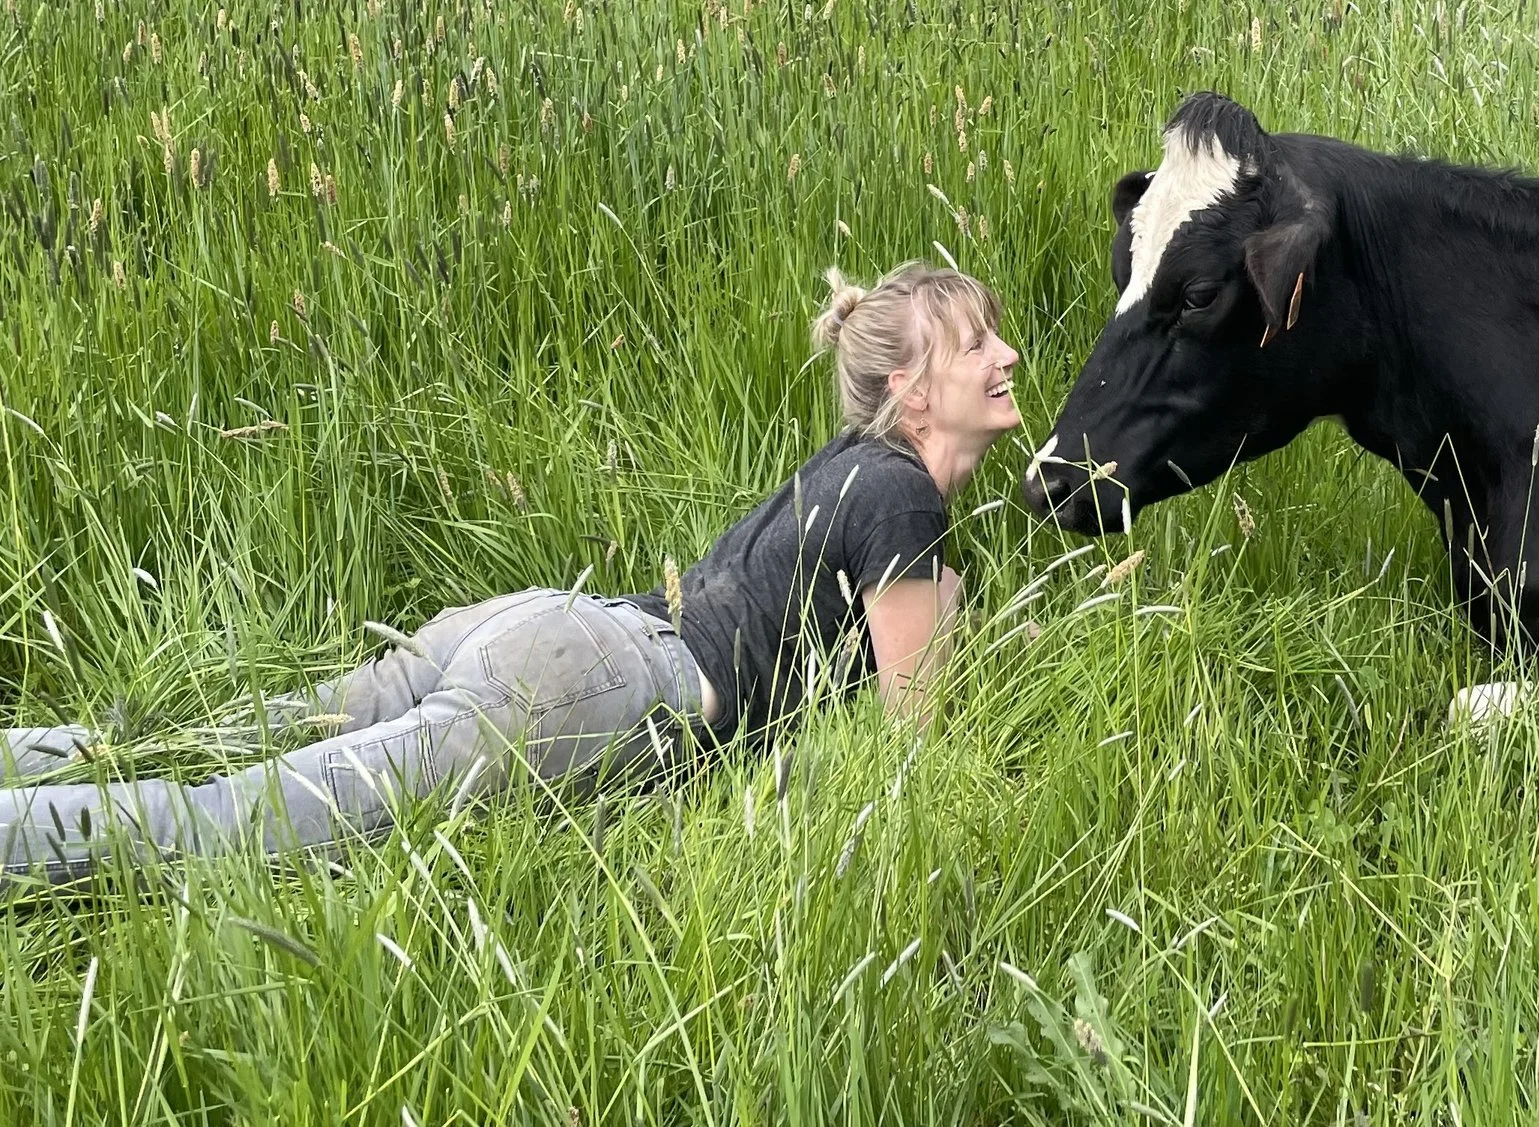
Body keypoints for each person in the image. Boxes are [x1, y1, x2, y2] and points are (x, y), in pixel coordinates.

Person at [0, 260, 1020, 884]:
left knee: (205, 743)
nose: (1007, 353)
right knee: (240, 821)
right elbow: (914, 748)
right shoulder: (900, 496)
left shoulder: (847, 477)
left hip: (555, 631)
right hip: (592, 683)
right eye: (976, 341)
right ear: (911, 388)